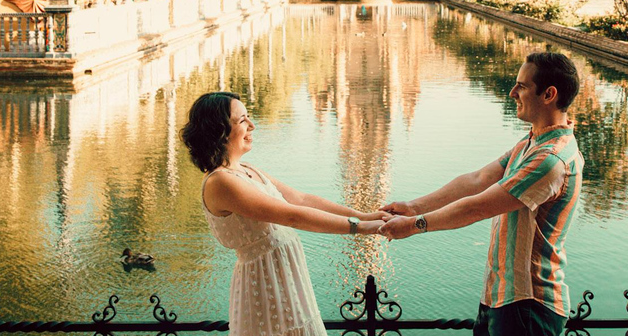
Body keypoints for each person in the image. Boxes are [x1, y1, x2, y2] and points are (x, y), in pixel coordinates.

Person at [379, 52, 583, 336]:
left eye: (522, 86)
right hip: (503, 298)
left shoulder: (550, 159)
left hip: (529, 304)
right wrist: (413, 207)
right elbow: (478, 179)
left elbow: (476, 208)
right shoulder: (533, 141)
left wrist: (414, 226)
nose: (512, 93)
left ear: (549, 94)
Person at [181, 92, 385, 336]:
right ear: (219, 131)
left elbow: (302, 199)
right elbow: (292, 216)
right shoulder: (221, 183)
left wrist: (366, 216)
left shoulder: (246, 170)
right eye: (243, 120)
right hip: (264, 290)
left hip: (286, 284)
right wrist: (360, 228)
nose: (252, 125)